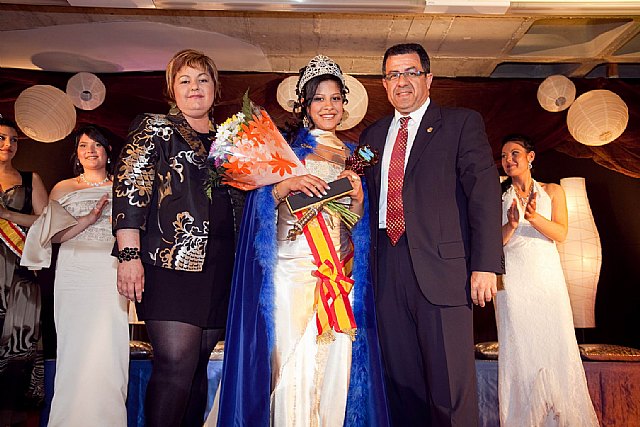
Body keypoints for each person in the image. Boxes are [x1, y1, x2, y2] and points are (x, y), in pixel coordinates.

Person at [217, 55, 388, 426]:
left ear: (345, 104)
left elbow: (354, 224)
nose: (329, 106)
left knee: (335, 364)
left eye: (335, 98)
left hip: (337, 273)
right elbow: (259, 207)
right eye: (319, 98)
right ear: (305, 105)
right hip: (292, 271)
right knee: (292, 361)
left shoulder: (354, 156)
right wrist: (286, 184)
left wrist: (359, 200)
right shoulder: (287, 150)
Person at [359, 43, 504, 426]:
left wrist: (485, 265)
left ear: (428, 78)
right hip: (386, 268)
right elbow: (354, 184)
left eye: (411, 72)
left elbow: (484, 194)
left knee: (450, 391)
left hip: (444, 272)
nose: (402, 81)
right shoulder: (372, 136)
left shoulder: (460, 124)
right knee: (402, 388)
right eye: (393, 74)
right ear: (384, 84)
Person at [112, 49, 244, 427]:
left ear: (216, 88)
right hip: (170, 262)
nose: (194, 87)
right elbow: (130, 191)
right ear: (172, 89)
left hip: (221, 264)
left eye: (203, 79)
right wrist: (129, 256)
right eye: (184, 80)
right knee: (175, 365)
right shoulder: (155, 128)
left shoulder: (230, 139)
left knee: (198, 367)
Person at [21, 125, 129, 426]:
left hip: (110, 270)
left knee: (109, 343)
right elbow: (53, 236)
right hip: (73, 270)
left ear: (108, 151)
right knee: (74, 345)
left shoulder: (124, 187)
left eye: (97, 145)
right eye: (83, 145)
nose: (90, 151)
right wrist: (88, 219)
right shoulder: (63, 188)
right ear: (77, 153)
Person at [496, 134, 598, 426]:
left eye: (514, 153)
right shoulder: (497, 195)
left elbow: (561, 233)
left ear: (530, 157)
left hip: (546, 276)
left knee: (555, 345)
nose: (508, 160)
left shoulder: (552, 190)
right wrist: (512, 225)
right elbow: (492, 243)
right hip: (513, 279)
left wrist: (534, 218)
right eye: (503, 156)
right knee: (520, 349)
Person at [0, 115, 48, 426]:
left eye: (14, 139)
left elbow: (46, 223)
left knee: (18, 347)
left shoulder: (31, 179)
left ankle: (11, 417)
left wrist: (6, 214)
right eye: (2, 138)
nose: (8, 144)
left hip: (20, 274)